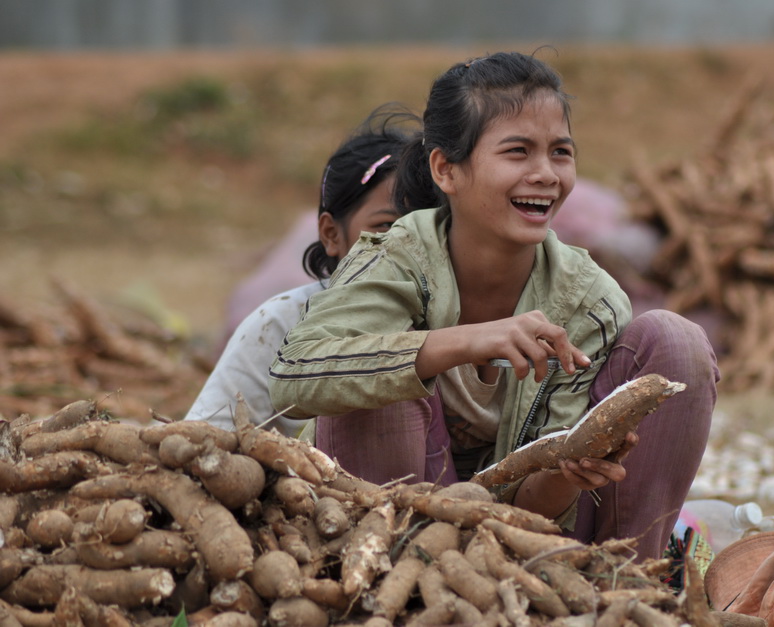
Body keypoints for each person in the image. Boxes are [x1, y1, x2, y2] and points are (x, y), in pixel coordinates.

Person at [269, 51, 719, 560]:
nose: (546, 174)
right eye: (518, 151)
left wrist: (565, 470)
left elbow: (536, 511)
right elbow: (293, 377)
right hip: (393, 545)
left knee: (676, 340)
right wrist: (462, 341)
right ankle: (399, 588)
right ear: (446, 169)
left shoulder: (588, 300)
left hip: (533, 549)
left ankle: (629, 586)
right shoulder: (395, 257)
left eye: (561, 152)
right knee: (374, 374)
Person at [185, 105, 418, 435]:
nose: (409, 245)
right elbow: (204, 436)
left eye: (427, 227)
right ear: (331, 234)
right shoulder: (281, 323)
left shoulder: (453, 322)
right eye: (386, 225)